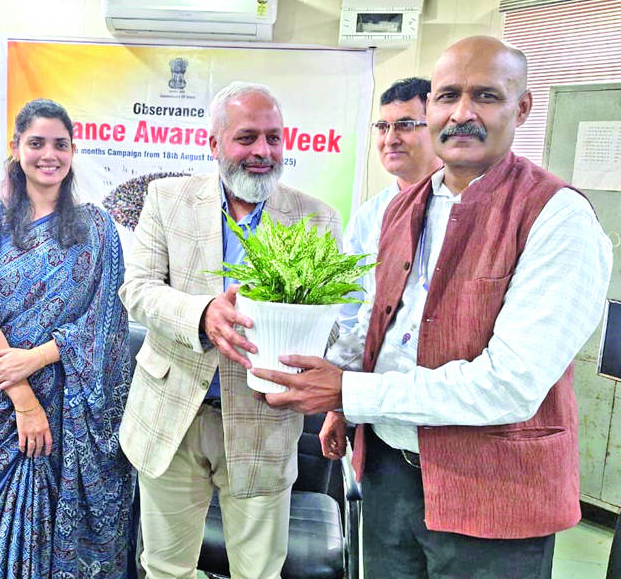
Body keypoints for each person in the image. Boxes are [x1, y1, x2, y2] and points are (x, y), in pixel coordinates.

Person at [252, 36, 613, 578]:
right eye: (448, 96)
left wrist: (349, 390)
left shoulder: (557, 217)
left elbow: (511, 383)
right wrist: (337, 399)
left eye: (485, 96)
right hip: (389, 477)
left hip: (494, 495)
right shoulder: (402, 208)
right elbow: (381, 324)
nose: (462, 113)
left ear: (522, 108)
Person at [119, 81, 341, 579]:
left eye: (273, 138)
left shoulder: (316, 219)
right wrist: (202, 315)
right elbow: (138, 289)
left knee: (258, 572)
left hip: (264, 423)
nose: (263, 151)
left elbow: (330, 323)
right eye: (246, 138)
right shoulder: (167, 199)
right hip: (172, 416)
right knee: (165, 569)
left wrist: (301, 344)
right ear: (214, 143)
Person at [0, 98, 134, 579]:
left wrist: (35, 358)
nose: (48, 155)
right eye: (36, 143)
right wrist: (24, 401)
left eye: (60, 145)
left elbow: (106, 321)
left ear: (72, 151)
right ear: (16, 148)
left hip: (73, 400)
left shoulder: (97, 227)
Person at [336, 77, 441, 334]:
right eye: (383, 127)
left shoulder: (462, 206)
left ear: (438, 128)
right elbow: (348, 308)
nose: (390, 139)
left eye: (405, 125)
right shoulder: (369, 216)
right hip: (371, 353)